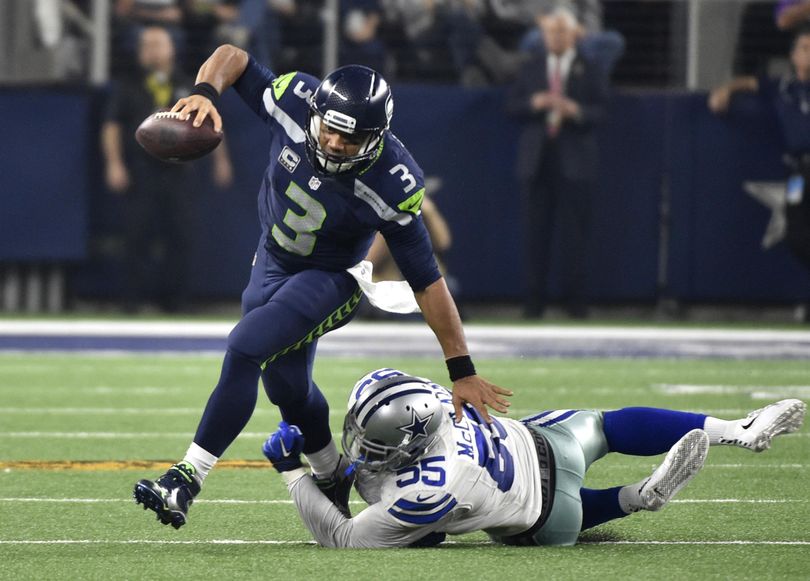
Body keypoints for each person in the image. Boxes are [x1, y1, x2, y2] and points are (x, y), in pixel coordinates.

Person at [132, 44, 512, 528]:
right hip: (270, 260)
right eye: (330, 128)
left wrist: (462, 368)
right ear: (316, 114)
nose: (334, 143)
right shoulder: (295, 99)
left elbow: (426, 279)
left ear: (376, 138)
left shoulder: (391, 182)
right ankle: (332, 473)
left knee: (245, 347)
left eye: (350, 139)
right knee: (287, 387)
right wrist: (206, 92)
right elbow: (233, 55)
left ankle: (186, 478)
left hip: (332, 278)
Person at [263, 367, 806, 548]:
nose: (365, 445)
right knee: (611, 424)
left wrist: (295, 474)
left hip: (548, 517)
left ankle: (638, 497)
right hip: (549, 437)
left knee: (552, 512)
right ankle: (736, 427)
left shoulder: (425, 486)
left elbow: (345, 537)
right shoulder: (431, 399)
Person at [101, 25, 232, 313]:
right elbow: (111, 125)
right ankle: (132, 302)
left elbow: (209, 124)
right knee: (136, 235)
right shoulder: (128, 85)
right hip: (141, 172)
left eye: (158, 44)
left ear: (172, 48)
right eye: (146, 45)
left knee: (182, 236)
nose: (151, 51)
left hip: (180, 173)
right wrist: (114, 163)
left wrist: (221, 161)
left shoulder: (188, 86)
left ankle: (176, 302)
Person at [506, 7, 607, 319]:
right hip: (537, 159)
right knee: (535, 234)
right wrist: (533, 103)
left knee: (574, 235)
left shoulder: (589, 68)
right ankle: (533, 304)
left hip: (575, 159)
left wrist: (575, 110)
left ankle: (575, 304)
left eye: (562, 31)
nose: (556, 37)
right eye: (551, 31)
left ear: (574, 33)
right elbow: (511, 107)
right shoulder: (531, 67)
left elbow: (603, 111)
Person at [709, 28, 810, 322]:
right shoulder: (782, 87)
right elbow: (750, 82)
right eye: (804, 48)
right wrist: (726, 90)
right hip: (798, 172)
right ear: (792, 56)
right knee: (797, 236)